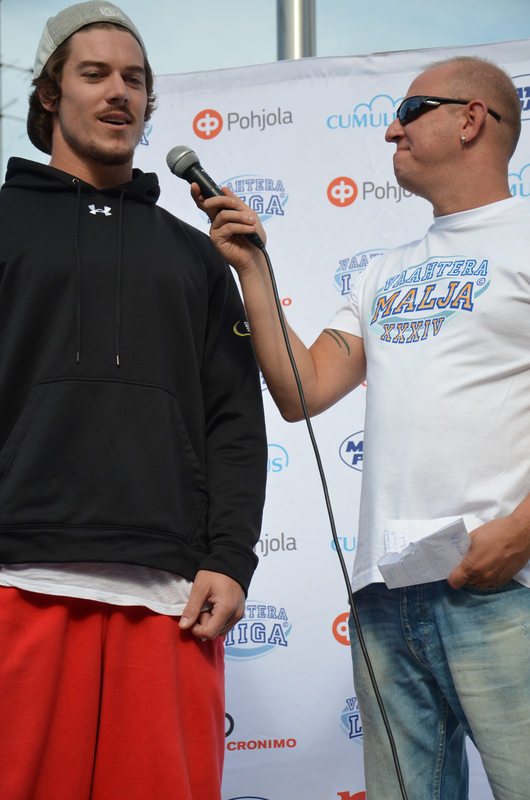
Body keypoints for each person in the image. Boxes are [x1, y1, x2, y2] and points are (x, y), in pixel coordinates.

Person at [196, 56, 530, 800]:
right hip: (385, 597)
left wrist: (521, 532)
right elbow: (303, 389)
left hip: (505, 588)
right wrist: (252, 270)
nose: (390, 130)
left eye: (410, 112)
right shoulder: (383, 271)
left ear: (471, 119)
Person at [0, 3, 267, 799]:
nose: (120, 92)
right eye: (95, 74)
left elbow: (234, 419)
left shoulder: (198, 254)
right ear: (50, 94)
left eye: (135, 79)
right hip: (14, 579)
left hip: (169, 599)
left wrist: (231, 557)